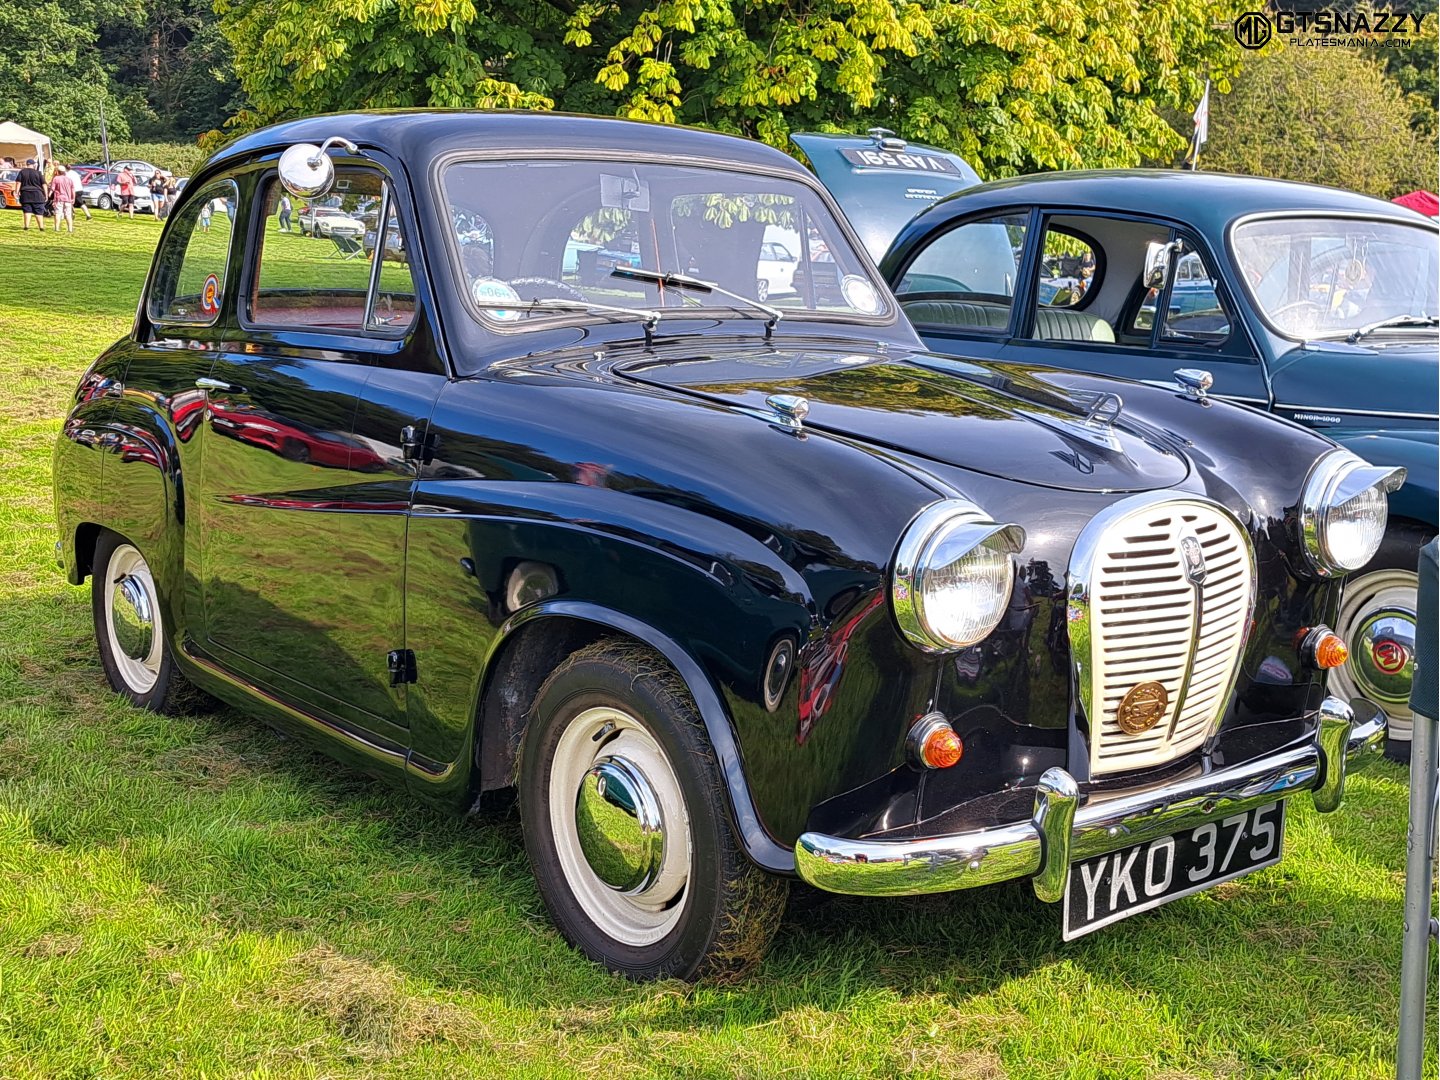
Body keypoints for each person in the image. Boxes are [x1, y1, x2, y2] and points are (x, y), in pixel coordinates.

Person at [17, 158, 47, 231]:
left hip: (25, 194)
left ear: (27, 164)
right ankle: (41, 227)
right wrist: (46, 194)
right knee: (39, 211)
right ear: (33, 165)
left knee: (27, 210)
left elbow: (18, 182)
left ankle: (26, 226)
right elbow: (44, 184)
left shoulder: (22, 172)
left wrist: (16, 192)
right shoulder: (38, 173)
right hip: (37, 194)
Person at [50, 164, 77, 235]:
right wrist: (73, 198)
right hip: (68, 199)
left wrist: (48, 195)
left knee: (58, 213)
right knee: (68, 215)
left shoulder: (56, 178)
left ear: (58, 171)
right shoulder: (69, 179)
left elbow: (52, 189)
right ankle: (70, 229)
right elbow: (73, 190)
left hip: (59, 199)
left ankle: (57, 228)